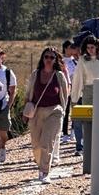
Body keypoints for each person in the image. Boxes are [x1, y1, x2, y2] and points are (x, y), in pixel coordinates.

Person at [23, 47, 68, 182]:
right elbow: (28, 94)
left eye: (51, 58)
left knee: (46, 142)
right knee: (36, 145)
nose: (48, 60)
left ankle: (44, 171)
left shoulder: (59, 76)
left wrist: (63, 111)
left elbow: (65, 95)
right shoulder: (35, 74)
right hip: (36, 112)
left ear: (55, 60)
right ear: (42, 59)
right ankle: (41, 164)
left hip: (54, 111)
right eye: (46, 57)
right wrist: (25, 111)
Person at [0, 49, 17, 163]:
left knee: (3, 132)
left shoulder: (7, 72)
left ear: (2, 57)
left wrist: (9, 105)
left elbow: (13, 90)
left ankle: (2, 147)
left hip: (3, 105)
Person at [60, 39, 79, 144]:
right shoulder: (61, 61)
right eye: (71, 47)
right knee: (65, 111)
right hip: (65, 88)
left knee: (75, 110)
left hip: (75, 88)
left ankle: (73, 131)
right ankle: (64, 133)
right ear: (66, 48)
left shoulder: (75, 60)